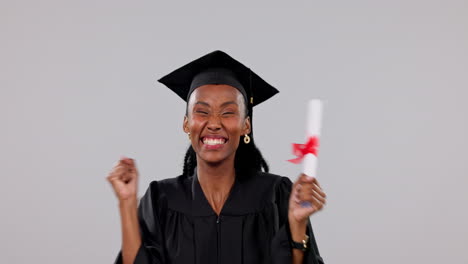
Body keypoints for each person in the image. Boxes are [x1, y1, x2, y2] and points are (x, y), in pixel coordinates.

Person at [107, 50, 327, 264]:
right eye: (202, 112)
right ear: (186, 123)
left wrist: (297, 225)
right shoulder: (161, 198)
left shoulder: (276, 194)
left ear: (245, 126)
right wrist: (126, 203)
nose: (213, 123)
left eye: (228, 112)